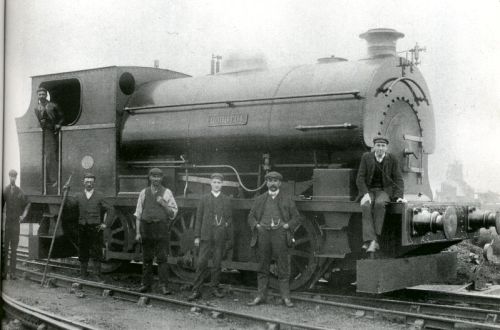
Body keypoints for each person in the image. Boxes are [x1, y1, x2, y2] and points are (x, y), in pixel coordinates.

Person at [247, 171, 300, 308]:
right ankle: (260, 296)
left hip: (280, 235)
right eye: (270, 180)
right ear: (266, 183)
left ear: (280, 183)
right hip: (263, 235)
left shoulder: (287, 199)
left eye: (275, 181)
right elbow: (250, 217)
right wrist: (257, 226)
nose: (272, 183)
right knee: (262, 267)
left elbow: (296, 217)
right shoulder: (260, 199)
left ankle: (286, 298)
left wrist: (287, 225)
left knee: (283, 267)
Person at [356, 136, 406, 253]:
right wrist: (365, 193)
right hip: (369, 190)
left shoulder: (392, 159)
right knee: (365, 205)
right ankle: (372, 240)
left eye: (383, 146)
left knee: (379, 204)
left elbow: (398, 179)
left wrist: (399, 196)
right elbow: (360, 178)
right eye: (378, 145)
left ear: (386, 148)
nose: (380, 148)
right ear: (374, 147)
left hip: (384, 191)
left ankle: (372, 240)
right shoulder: (366, 157)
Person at [188, 173, 233, 301]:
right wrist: (197, 236)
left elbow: (229, 220)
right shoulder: (204, 199)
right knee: (201, 263)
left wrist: (228, 235)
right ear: (210, 183)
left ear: (222, 184)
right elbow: (199, 218)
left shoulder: (226, 200)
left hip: (220, 236)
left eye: (219, 183)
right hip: (205, 235)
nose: (217, 185)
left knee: (217, 263)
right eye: (214, 182)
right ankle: (196, 290)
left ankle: (214, 288)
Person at [135, 168, 178, 295]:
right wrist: (138, 232)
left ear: (162, 178)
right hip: (146, 228)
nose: (156, 179)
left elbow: (173, 214)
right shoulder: (143, 192)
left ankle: (164, 286)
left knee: (162, 258)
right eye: (153, 177)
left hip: (161, 228)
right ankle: (146, 284)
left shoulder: (167, 193)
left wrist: (164, 204)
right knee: (147, 258)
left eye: (158, 177)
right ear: (149, 178)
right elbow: (138, 214)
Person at [68, 173, 110, 279]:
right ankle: (83, 275)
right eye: (87, 181)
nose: (89, 184)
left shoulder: (100, 195)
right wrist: (66, 192)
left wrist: (105, 224)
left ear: (94, 183)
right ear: (83, 182)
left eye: (91, 182)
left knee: (96, 251)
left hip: (95, 227)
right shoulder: (78, 196)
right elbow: (69, 206)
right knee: (83, 250)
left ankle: (97, 275)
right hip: (82, 227)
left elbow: (111, 209)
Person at [2, 169, 31, 280]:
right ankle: (4, 273)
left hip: (16, 225)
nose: (12, 178)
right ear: (9, 177)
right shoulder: (5, 191)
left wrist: (23, 215)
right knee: (5, 249)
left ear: (16, 178)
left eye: (14, 176)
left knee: (14, 249)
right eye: (11, 176)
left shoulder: (20, 192)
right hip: (8, 224)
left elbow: (28, 203)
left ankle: (12, 273)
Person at [34, 87, 64, 192]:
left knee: (51, 155)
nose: (41, 96)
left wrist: (58, 124)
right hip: (42, 132)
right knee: (43, 157)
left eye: (43, 94)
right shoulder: (36, 108)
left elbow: (61, 117)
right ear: (37, 96)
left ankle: (54, 180)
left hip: (51, 131)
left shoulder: (53, 105)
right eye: (39, 94)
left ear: (46, 95)